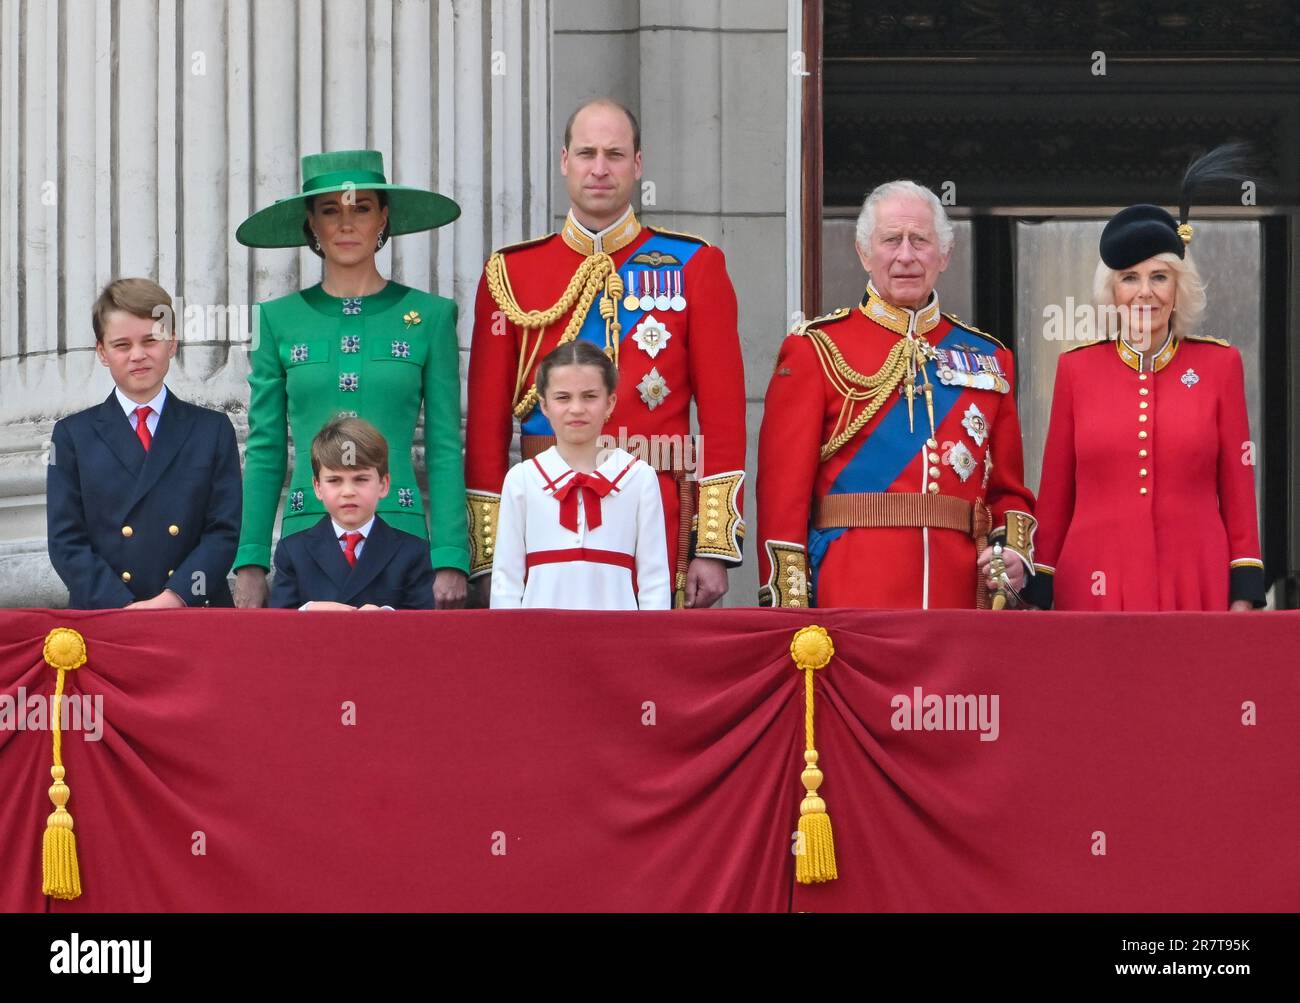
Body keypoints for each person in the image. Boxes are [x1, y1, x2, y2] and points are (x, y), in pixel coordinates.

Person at [464, 98, 747, 609]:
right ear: (564, 160)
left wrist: (714, 544)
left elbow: (724, 418)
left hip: (661, 510)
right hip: (541, 513)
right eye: (587, 153)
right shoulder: (511, 274)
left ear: (638, 165)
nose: (600, 168)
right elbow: (486, 429)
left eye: (615, 155)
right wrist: (488, 556)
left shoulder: (695, 265)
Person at [756, 180, 1037, 609]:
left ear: (944, 254)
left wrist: (1012, 554)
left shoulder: (988, 357)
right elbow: (782, 495)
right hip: (851, 592)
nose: (905, 256)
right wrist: (788, 606)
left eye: (920, 241)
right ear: (864, 252)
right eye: (891, 240)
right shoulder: (815, 349)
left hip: (958, 595)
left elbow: (1009, 491)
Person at [1025, 147, 1265, 611]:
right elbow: (1055, 493)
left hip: (1195, 577)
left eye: (1160, 277)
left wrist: (1245, 590)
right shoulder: (1076, 370)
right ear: (1112, 292)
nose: (1145, 293)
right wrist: (1041, 590)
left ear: (1178, 289)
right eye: (1129, 278)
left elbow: (1238, 489)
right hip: (1092, 580)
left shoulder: (1220, 365)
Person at [232, 149, 468, 609]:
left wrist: (451, 557)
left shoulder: (432, 317)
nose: (346, 224)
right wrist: (251, 560)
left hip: (400, 539)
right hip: (307, 537)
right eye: (330, 211)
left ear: (384, 218)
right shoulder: (277, 320)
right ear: (311, 224)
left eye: (361, 208)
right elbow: (264, 449)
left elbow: (443, 446)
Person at [46, 278, 241, 609]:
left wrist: (176, 597)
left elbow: (223, 533)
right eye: (122, 345)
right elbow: (66, 542)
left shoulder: (213, 430)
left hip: (194, 612)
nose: (137, 355)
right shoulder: (71, 437)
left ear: (172, 344)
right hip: (107, 615)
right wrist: (120, 606)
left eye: (151, 340)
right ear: (102, 352)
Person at [490, 342, 670, 610]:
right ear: (544, 405)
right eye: (563, 397)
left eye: (589, 396)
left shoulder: (638, 477)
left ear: (610, 403)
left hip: (618, 639)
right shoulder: (523, 479)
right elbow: (506, 580)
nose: (576, 408)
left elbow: (654, 580)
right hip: (540, 639)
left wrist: (646, 647)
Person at [270, 417, 434, 610]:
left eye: (361, 479)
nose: (348, 491)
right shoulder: (293, 551)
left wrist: (390, 618)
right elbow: (279, 626)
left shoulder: (412, 552)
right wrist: (307, 611)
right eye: (334, 480)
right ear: (317, 487)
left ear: (383, 484)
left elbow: (422, 628)